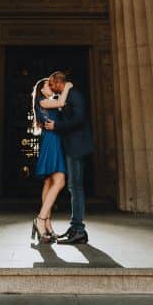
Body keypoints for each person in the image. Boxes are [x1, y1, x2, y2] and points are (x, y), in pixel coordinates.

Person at [43, 71, 93, 245]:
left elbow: (79, 119)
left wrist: (57, 125)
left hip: (77, 147)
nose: (50, 86)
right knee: (73, 187)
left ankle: (79, 230)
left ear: (58, 82)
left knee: (75, 187)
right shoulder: (65, 96)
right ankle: (75, 228)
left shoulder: (75, 95)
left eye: (51, 83)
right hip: (71, 146)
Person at [30, 77, 70, 244]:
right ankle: (40, 219)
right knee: (59, 181)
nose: (51, 87)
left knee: (49, 182)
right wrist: (67, 86)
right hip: (51, 141)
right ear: (41, 89)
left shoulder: (48, 101)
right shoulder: (42, 101)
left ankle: (46, 223)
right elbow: (61, 103)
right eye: (48, 85)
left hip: (53, 140)